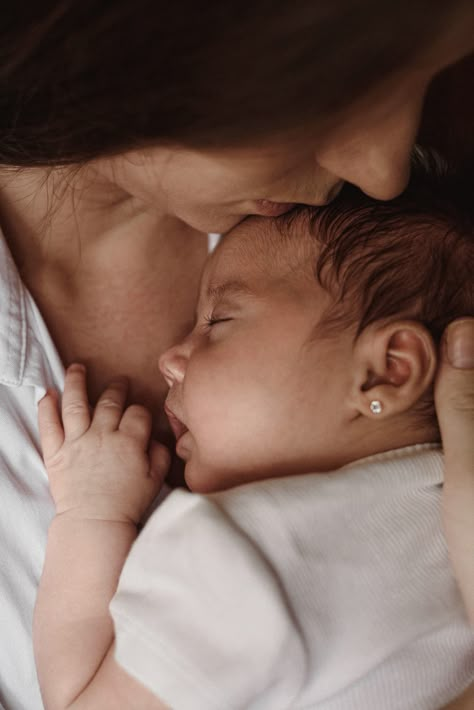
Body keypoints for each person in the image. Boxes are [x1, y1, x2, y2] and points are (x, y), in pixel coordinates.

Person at [0, 2, 473, 708]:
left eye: (217, 320)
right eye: (335, 90)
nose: (383, 171)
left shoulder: (236, 567)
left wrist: (94, 517)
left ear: (388, 369)